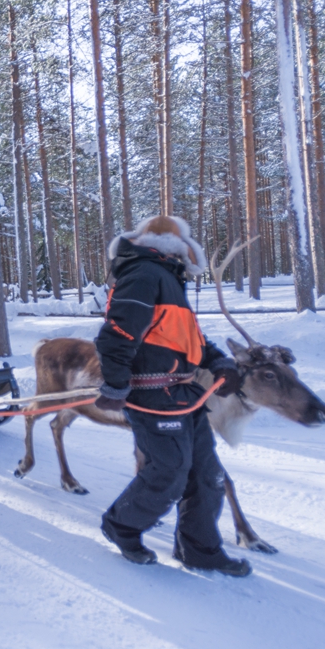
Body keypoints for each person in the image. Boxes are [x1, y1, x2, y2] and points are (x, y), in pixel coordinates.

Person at [92, 215, 250, 577]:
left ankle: (200, 550)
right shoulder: (144, 274)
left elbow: (187, 338)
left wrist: (218, 362)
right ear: (178, 248)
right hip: (152, 394)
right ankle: (122, 526)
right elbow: (115, 335)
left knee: (206, 475)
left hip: (183, 392)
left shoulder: (167, 278)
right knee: (170, 471)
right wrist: (116, 385)